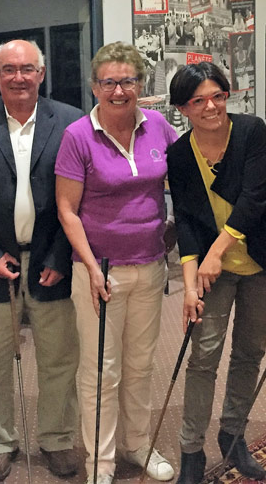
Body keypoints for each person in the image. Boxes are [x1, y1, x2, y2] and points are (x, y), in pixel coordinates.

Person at [55, 41, 178, 484]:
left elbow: (184, 183)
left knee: (141, 365)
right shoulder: (78, 136)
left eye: (128, 80)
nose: (119, 90)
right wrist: (89, 266)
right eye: (109, 82)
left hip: (150, 268)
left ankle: (137, 444)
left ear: (141, 84)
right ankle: (100, 463)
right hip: (98, 273)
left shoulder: (159, 127)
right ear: (94, 87)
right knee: (100, 371)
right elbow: (67, 210)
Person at [0, 39, 84, 482]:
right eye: (9, 70)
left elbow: (80, 197)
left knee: (58, 358)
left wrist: (60, 254)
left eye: (27, 69)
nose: (19, 77)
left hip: (53, 261)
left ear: (42, 72)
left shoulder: (71, 122)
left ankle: (57, 438)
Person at [165, 62, 266, 484]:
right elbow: (184, 217)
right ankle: (191, 452)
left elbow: (255, 197)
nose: (211, 106)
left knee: (249, 354)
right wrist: (188, 280)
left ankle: (233, 437)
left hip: (259, 262)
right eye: (198, 100)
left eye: (218, 95)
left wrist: (217, 252)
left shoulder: (252, 131)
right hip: (209, 271)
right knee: (203, 359)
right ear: (183, 107)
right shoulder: (179, 154)